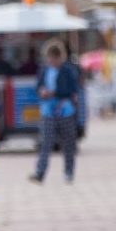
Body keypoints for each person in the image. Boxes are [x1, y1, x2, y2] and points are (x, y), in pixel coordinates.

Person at [28, 40, 82, 183]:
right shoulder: (44, 70)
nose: (51, 61)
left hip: (65, 111)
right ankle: (40, 172)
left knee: (68, 144)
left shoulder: (68, 70)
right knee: (45, 143)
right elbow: (38, 86)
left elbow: (73, 90)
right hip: (48, 111)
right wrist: (42, 91)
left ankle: (69, 172)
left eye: (54, 58)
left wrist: (55, 93)